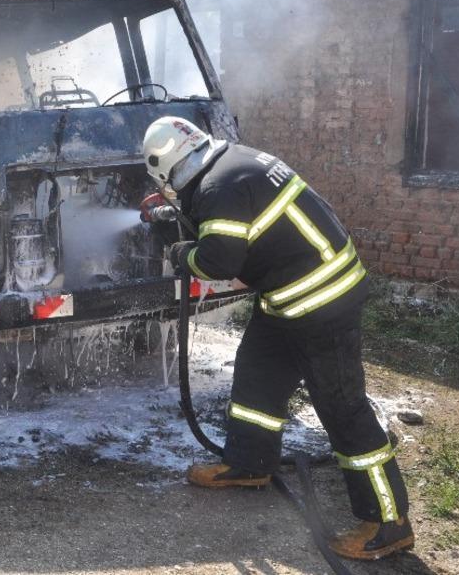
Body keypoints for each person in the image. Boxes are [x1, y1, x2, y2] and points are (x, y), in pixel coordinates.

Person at [139, 116, 413, 561]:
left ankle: (389, 522)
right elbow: (232, 220)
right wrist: (178, 217)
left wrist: (180, 253)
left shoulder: (217, 189)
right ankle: (249, 464)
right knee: (258, 375)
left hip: (323, 300)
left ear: (168, 168)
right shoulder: (230, 164)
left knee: (343, 407)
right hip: (288, 292)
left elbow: (220, 260)